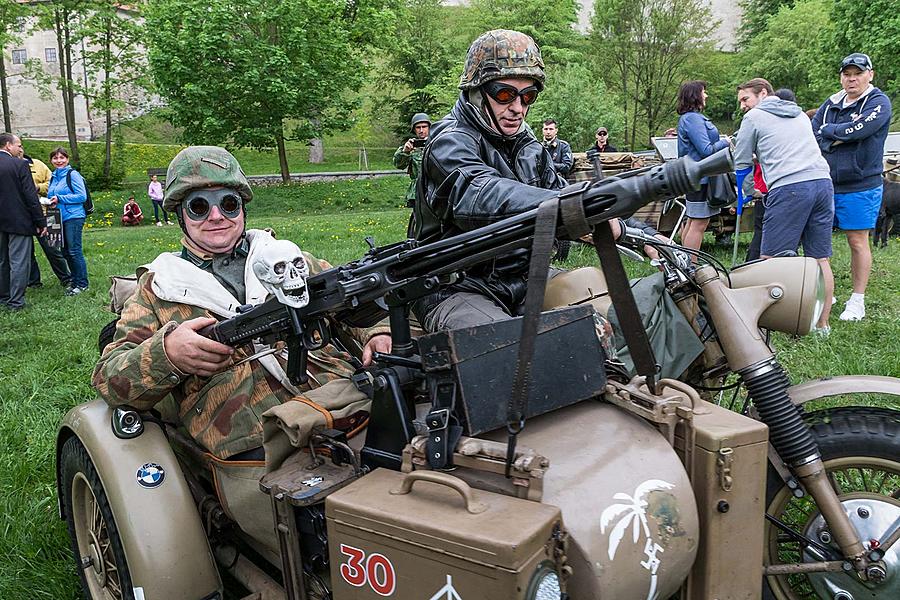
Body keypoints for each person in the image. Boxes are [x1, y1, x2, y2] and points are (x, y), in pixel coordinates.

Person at [93, 145, 392, 461]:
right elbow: (108, 379)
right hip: (250, 441)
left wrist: (378, 332)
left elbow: (355, 298)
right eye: (198, 206)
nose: (216, 216)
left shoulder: (287, 259)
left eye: (228, 203)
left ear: (242, 208)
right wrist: (168, 354)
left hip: (346, 403)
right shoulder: (158, 289)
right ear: (179, 213)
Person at [733, 78, 834, 332]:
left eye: (745, 99)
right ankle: (822, 325)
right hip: (822, 182)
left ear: (763, 93)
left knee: (772, 261)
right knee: (820, 259)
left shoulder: (754, 117)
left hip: (790, 188)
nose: (743, 106)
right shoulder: (799, 113)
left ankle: (779, 324)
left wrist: (747, 192)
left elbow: (741, 161)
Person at [812, 52, 893, 322]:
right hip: (826, 182)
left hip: (861, 184)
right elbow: (813, 132)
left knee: (857, 241)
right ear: (841, 77)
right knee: (817, 240)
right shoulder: (832, 102)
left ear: (870, 74)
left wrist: (831, 132)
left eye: (857, 73)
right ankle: (826, 291)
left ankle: (857, 301)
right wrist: (834, 136)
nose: (852, 78)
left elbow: (859, 130)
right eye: (847, 74)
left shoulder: (878, 102)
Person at [676, 80, 731, 254]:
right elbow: (707, 150)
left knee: (693, 220)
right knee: (699, 223)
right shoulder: (693, 119)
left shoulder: (690, 118)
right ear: (695, 96)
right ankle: (690, 267)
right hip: (701, 176)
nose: (706, 95)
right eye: (703, 92)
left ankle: (684, 263)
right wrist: (726, 142)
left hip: (695, 176)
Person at [15, 140, 72, 289]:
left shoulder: (38, 165)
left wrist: (38, 187)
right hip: (23, 216)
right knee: (27, 253)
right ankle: (33, 281)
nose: (19, 152)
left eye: (21, 149)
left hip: (49, 213)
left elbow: (53, 183)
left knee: (53, 249)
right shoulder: (9, 167)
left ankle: (66, 278)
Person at [0, 133, 47, 311]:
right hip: (18, 220)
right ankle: (16, 301)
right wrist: (40, 221)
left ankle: (3, 296)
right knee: (19, 261)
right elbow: (30, 196)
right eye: (18, 145)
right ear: (7, 145)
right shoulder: (20, 164)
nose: (21, 149)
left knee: (2, 260)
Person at [47, 147, 90, 295]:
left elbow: (81, 196)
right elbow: (53, 195)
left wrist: (60, 198)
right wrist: (51, 202)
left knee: (74, 250)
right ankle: (75, 280)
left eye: (62, 158)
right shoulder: (53, 176)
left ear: (67, 159)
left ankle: (82, 284)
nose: (59, 161)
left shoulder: (73, 174)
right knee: (64, 251)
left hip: (73, 216)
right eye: (55, 158)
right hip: (56, 217)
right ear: (51, 160)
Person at [393, 113, 430, 207]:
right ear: (414, 129)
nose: (421, 130)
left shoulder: (438, 144)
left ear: (429, 127)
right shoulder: (409, 147)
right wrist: (405, 152)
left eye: (424, 127)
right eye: (418, 127)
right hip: (417, 191)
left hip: (435, 189)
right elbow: (398, 165)